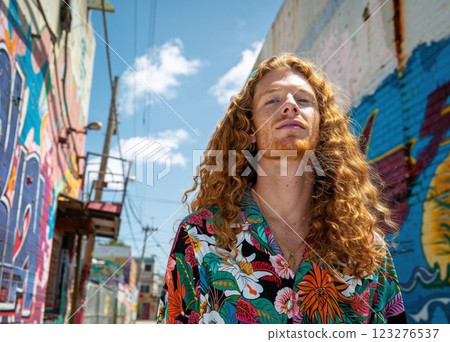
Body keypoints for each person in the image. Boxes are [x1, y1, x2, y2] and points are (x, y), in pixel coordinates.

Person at [156, 54, 407, 324]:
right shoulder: (200, 238)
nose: (290, 106)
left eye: (303, 100)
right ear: (249, 129)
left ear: (322, 126)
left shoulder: (366, 249)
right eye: (272, 100)